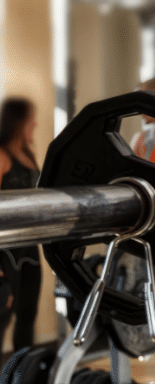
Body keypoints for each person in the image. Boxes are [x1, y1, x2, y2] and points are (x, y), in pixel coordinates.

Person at [0, 98, 42, 354]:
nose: (34, 123)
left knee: (27, 314)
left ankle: (22, 372)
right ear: (17, 122)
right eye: (30, 118)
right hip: (5, 251)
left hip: (29, 246)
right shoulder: (1, 156)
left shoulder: (28, 154)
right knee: (1, 317)